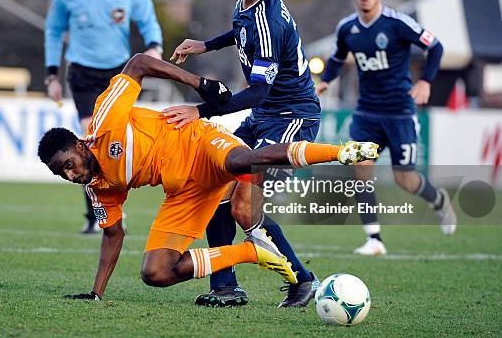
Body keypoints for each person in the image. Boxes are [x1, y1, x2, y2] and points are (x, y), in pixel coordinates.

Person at [37, 53, 379, 301]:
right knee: (155, 273)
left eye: (68, 163)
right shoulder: (99, 189)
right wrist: (96, 293)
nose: (70, 175)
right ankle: (250, 253)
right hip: (184, 192)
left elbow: (139, 62)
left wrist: (198, 83)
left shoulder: (105, 117)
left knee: (244, 163)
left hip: (200, 142)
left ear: (81, 146)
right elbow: (113, 234)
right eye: (60, 173)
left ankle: (341, 153)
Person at [166, 0, 321, 308]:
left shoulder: (271, 21)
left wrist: (199, 111)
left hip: (291, 118)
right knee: (212, 185)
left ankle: (303, 279)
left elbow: (258, 92)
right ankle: (225, 286)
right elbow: (240, 31)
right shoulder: (246, 1)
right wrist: (205, 45)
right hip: (264, 117)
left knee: (242, 208)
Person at [316, 0, 457, 256]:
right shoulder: (347, 28)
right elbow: (338, 58)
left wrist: (426, 83)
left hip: (400, 113)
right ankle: (374, 239)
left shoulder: (397, 23)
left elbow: (437, 47)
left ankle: (438, 200)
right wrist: (326, 81)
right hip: (366, 113)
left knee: (404, 179)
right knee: (361, 172)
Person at [45, 0, 163, 234]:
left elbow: (147, 15)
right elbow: (54, 32)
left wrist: (154, 46)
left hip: (118, 73)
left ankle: (113, 209)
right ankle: (96, 216)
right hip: (82, 73)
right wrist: (51, 75)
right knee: (88, 140)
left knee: (117, 143)